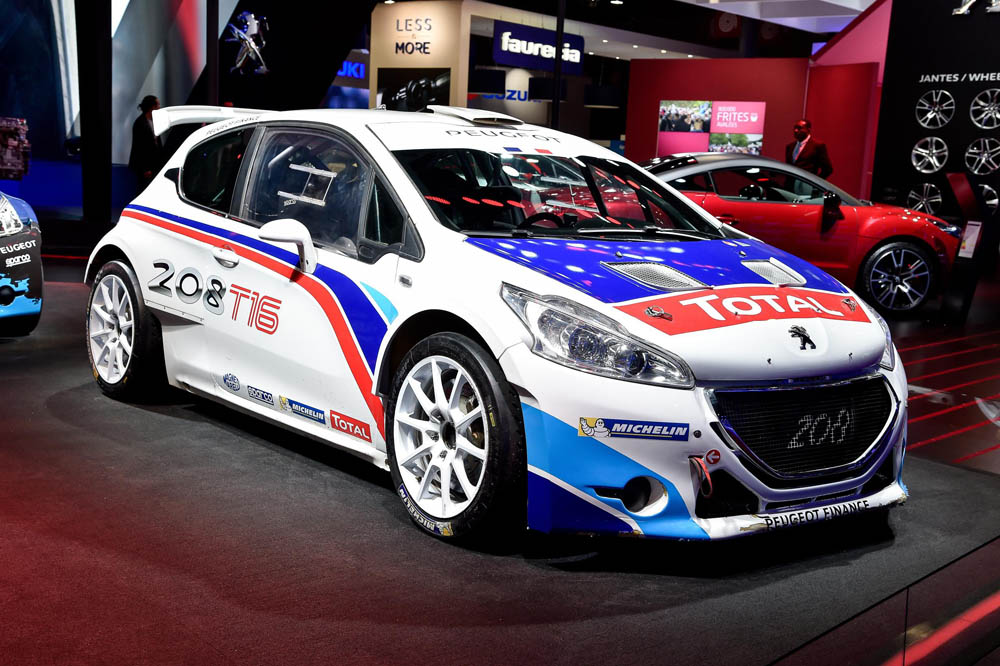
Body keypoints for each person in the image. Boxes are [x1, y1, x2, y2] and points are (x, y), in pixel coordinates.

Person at [128, 95, 163, 193]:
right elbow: (139, 148)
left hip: (155, 165)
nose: (159, 107)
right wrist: (145, 169)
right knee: (144, 190)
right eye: (157, 105)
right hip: (145, 168)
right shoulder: (140, 123)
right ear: (152, 107)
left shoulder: (154, 122)